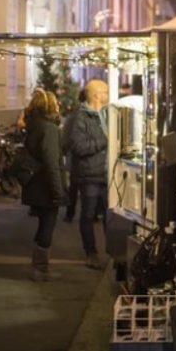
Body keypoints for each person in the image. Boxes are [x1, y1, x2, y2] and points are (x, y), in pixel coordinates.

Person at [64, 80, 110, 270]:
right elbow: (78, 146)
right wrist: (104, 140)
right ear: (96, 95)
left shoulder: (108, 114)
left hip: (108, 172)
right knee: (88, 214)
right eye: (105, 92)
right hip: (89, 174)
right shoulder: (79, 118)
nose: (108, 94)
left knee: (110, 215)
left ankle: (113, 253)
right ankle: (90, 253)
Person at [22, 88, 66, 281]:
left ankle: (38, 266)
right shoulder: (49, 128)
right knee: (47, 226)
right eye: (56, 103)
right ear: (49, 106)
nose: (59, 105)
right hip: (46, 185)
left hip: (35, 184)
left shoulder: (34, 124)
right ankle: (40, 268)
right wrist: (59, 191)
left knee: (43, 224)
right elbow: (51, 162)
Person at [62, 87, 88, 223]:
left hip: (75, 158)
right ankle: (91, 214)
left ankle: (70, 213)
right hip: (90, 160)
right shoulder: (96, 115)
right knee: (87, 189)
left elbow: (65, 138)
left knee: (74, 187)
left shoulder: (73, 116)